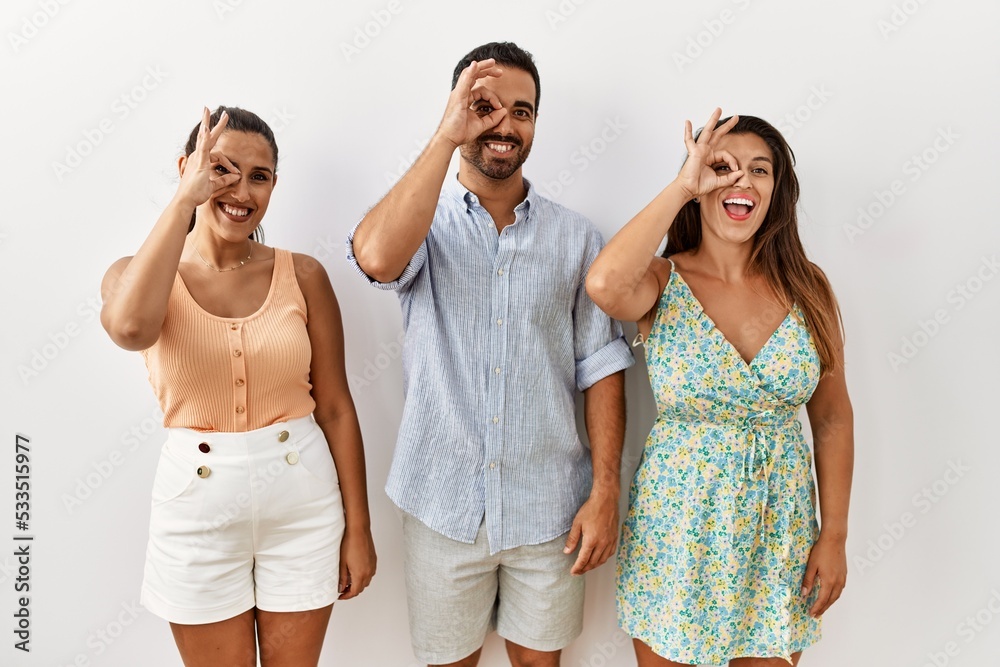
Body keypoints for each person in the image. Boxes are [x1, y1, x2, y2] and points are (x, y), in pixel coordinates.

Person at [346, 42, 634, 667]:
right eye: (485, 107)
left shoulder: (578, 238)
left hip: (551, 510)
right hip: (442, 504)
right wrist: (448, 136)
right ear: (457, 110)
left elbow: (601, 368)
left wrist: (606, 490)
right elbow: (374, 257)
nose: (504, 125)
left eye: (522, 111)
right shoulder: (420, 223)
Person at [100, 106, 376, 667]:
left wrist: (360, 529)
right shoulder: (135, 272)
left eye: (259, 176)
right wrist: (183, 202)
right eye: (221, 170)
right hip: (195, 510)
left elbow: (338, 409)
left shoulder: (303, 275)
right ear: (188, 168)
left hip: (304, 504)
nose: (240, 191)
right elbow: (130, 329)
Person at [586, 109, 854, 666]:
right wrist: (682, 185)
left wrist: (835, 536)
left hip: (780, 530)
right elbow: (604, 283)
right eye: (722, 167)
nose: (741, 181)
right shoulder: (661, 280)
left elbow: (831, 418)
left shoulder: (809, 286)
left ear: (776, 191)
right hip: (679, 526)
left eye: (760, 170)